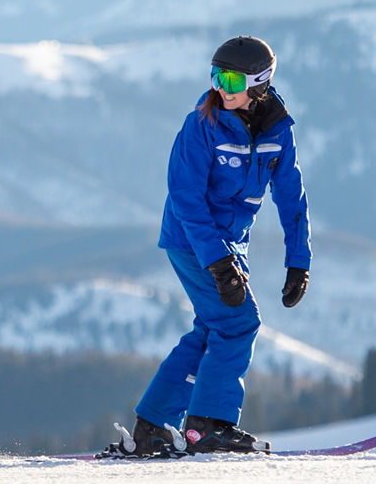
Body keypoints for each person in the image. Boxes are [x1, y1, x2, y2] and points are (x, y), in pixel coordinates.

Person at [130, 37, 311, 456]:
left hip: (231, 243)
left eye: (230, 79)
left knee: (213, 328)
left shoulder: (278, 132)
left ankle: (154, 426)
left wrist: (298, 262)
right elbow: (185, 198)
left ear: (260, 82)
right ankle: (209, 425)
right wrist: (218, 262)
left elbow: (292, 198)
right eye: (215, 77)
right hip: (192, 238)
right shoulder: (202, 125)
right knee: (238, 321)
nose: (221, 88)